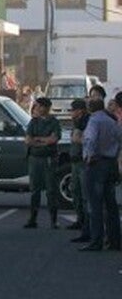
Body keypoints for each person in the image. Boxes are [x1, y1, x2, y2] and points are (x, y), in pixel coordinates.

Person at [77, 97, 121, 251]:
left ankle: (96, 240)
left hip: (96, 164)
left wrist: (88, 156)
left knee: (95, 204)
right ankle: (115, 240)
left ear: (90, 108)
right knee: (111, 204)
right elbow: (119, 138)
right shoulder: (111, 121)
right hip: (110, 162)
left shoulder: (94, 121)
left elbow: (90, 139)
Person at [24, 96, 62, 229]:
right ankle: (32, 218)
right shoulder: (33, 122)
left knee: (51, 190)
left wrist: (37, 140)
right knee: (35, 189)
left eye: (40, 106)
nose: (37, 109)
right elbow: (28, 140)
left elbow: (53, 139)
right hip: (35, 158)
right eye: (36, 106)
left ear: (46, 108)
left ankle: (54, 220)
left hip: (49, 158)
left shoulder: (54, 122)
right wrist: (43, 141)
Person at [66, 98, 89, 232]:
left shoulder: (86, 121)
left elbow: (81, 138)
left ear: (80, 111)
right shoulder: (77, 121)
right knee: (75, 191)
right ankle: (80, 218)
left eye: (73, 110)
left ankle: (86, 220)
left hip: (83, 160)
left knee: (84, 193)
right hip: (75, 160)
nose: (71, 112)